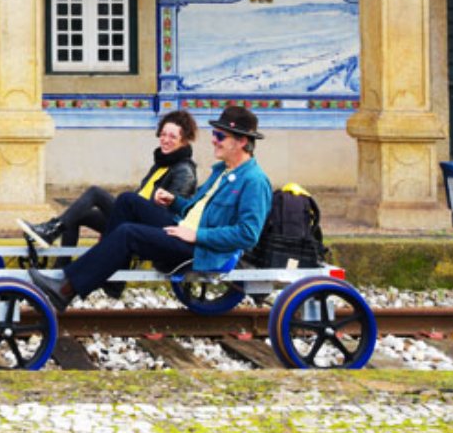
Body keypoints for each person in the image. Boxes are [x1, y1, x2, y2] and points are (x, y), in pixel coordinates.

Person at [29, 105, 272, 310]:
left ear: (241, 141)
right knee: (127, 201)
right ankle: (112, 280)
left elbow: (248, 234)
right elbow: (196, 210)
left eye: (220, 136)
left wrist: (197, 235)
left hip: (199, 249)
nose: (213, 140)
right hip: (183, 230)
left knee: (128, 232)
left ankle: (66, 288)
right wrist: (175, 202)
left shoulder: (254, 181)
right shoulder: (222, 171)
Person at [21, 109, 199, 251]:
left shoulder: (184, 170)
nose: (165, 140)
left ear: (184, 141)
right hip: (133, 216)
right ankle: (60, 268)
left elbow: (169, 215)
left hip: (147, 225)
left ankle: (51, 230)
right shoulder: (162, 163)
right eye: (163, 134)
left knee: (95, 193)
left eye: (172, 137)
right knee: (77, 215)